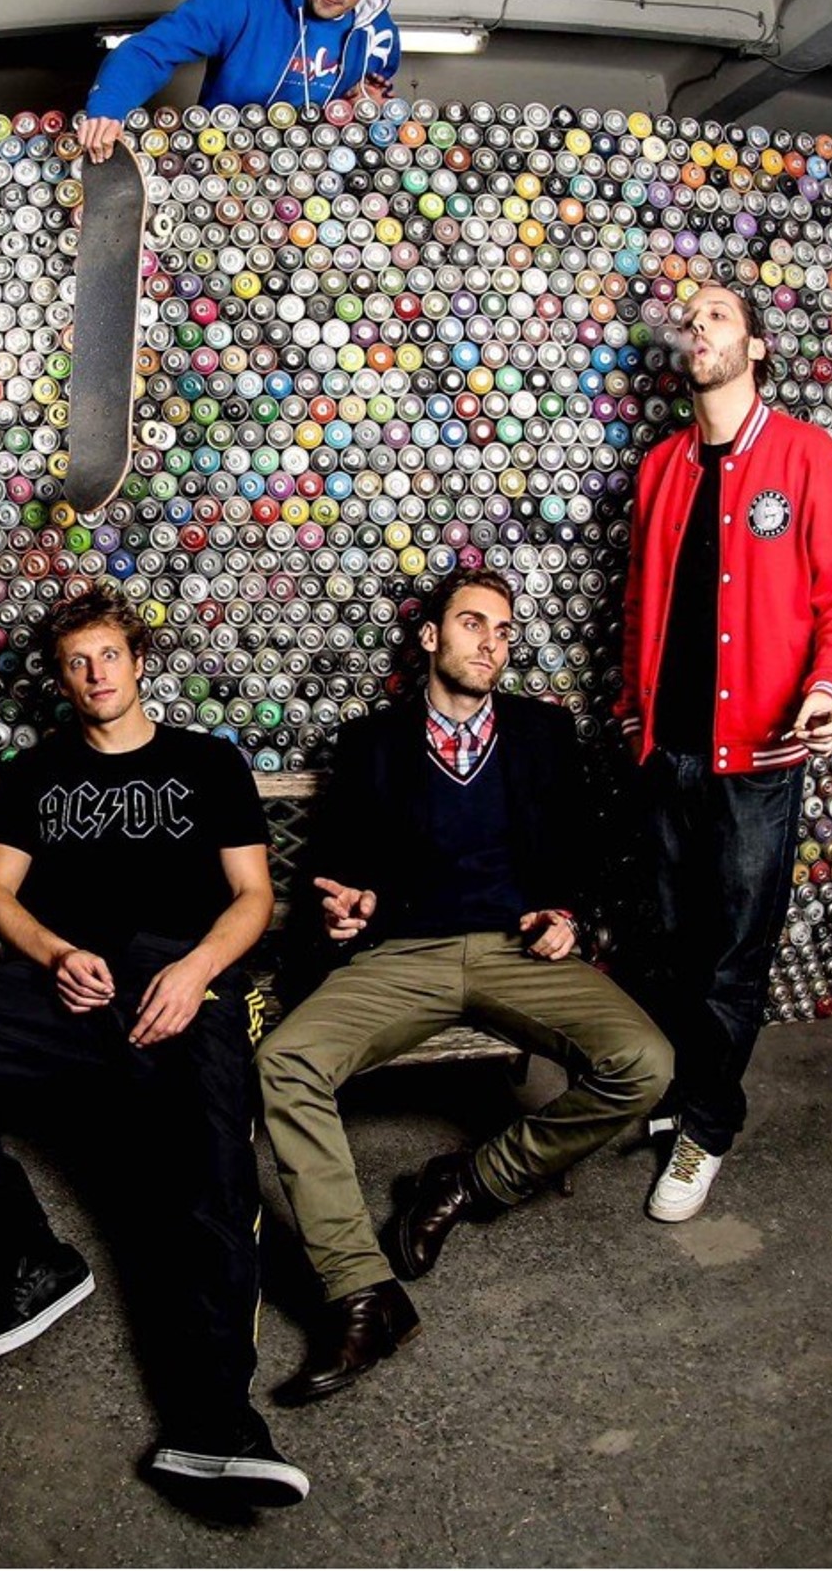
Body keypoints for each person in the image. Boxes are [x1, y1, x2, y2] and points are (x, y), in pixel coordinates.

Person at [0, 586, 306, 1506]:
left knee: (213, 1174)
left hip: (182, 980)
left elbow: (254, 897)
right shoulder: (33, 775)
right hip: (70, 978)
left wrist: (196, 971)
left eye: (109, 655)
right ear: (62, 678)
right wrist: (56, 954)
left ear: (139, 662)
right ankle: (26, 1257)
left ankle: (216, 1425)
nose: (95, 674)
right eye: (76, 662)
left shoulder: (207, 762)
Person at [255, 570, 673, 1406]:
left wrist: (568, 914)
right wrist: (345, 906)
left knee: (646, 1062)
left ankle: (470, 1180)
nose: (491, 643)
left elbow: (584, 851)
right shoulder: (371, 741)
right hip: (404, 955)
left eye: (504, 630)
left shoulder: (543, 732)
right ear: (430, 637)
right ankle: (363, 1295)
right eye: (473, 623)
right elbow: (336, 868)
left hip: (517, 950)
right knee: (285, 1062)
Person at [617, 281, 832, 1222]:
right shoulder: (660, 468)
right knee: (666, 944)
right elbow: (640, 603)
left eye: (719, 314)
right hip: (667, 756)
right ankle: (679, 1091)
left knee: (733, 956)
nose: (699, 325)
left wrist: (829, 688)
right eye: (690, 317)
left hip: (758, 764)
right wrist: (634, 716)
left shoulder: (808, 456)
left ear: (756, 347)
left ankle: (707, 1128)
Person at [79, 0, 400, 162]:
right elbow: (152, 50)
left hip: (312, 184)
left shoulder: (377, 34)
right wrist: (109, 105)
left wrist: (369, 107)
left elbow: (369, 97)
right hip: (220, 164)